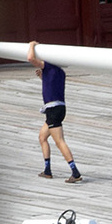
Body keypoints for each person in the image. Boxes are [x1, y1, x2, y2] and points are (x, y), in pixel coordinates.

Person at [28, 40, 82, 181]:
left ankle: (75, 172)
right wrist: (42, 77)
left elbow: (30, 58)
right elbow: (52, 86)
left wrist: (32, 45)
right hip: (59, 108)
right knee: (42, 137)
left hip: (52, 109)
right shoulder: (60, 72)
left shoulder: (49, 66)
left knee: (59, 141)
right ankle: (47, 170)